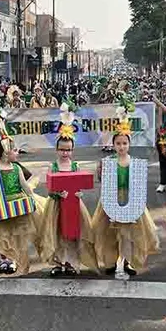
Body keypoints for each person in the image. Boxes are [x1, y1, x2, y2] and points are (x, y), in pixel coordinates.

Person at [91, 105, 159, 276]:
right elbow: (101, 181)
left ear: (129, 144)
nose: (121, 147)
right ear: (113, 144)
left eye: (124, 143)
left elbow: (138, 182)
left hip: (130, 198)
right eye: (118, 143)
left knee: (129, 233)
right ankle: (110, 261)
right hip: (111, 198)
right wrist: (100, 171)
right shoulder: (107, 161)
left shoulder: (134, 162)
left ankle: (128, 261)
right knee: (109, 233)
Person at [39, 113, 98, 277]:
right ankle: (58, 262)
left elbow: (80, 184)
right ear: (57, 150)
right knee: (57, 233)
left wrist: (79, 193)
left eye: (68, 150)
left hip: (73, 205)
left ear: (72, 150)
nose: (65, 153)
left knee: (73, 234)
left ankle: (71, 262)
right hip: (57, 205)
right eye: (62, 150)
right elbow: (50, 187)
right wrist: (58, 193)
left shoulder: (75, 165)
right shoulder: (53, 166)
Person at [0, 135, 43, 275]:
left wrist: (31, 198)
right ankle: (4, 259)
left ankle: (13, 260)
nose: (18, 152)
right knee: (2, 233)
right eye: (15, 150)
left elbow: (25, 186)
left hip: (15, 202)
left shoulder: (16, 168)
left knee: (15, 235)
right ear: (6, 153)